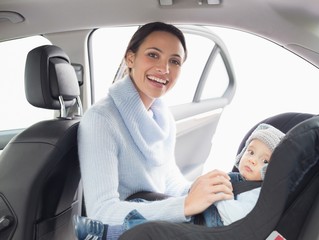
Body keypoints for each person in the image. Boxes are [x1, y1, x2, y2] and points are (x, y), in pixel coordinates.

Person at [75, 21, 233, 240]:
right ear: (130, 58)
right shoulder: (101, 119)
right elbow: (101, 213)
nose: (164, 69)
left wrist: (204, 189)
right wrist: (184, 206)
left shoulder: (161, 116)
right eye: (153, 55)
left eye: (174, 61)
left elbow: (169, 182)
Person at [74, 123, 285, 239]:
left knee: (155, 225)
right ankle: (107, 228)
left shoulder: (258, 193)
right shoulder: (237, 178)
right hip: (205, 216)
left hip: (214, 226)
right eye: (250, 152)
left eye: (263, 160)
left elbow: (237, 216)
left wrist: (216, 197)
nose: (252, 160)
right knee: (143, 207)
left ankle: (102, 232)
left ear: (271, 171)